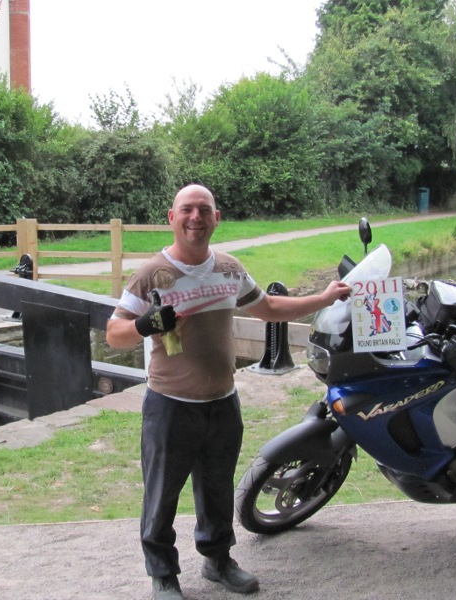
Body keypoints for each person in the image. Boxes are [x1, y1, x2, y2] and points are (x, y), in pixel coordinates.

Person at [106, 184, 351, 600]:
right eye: (187, 210)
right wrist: (145, 325)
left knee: (217, 488)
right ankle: (163, 574)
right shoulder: (152, 274)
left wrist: (323, 299)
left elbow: (268, 308)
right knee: (162, 493)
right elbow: (114, 334)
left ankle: (217, 560)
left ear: (216, 218)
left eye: (204, 210)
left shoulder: (229, 269)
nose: (196, 218)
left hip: (222, 402)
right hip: (170, 405)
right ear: (172, 217)